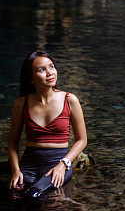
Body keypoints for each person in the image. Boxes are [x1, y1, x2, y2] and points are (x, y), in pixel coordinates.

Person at [7, 49, 87, 199]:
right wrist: (16, 170)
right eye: (42, 69)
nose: (50, 72)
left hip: (58, 160)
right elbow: (12, 142)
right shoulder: (21, 103)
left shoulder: (70, 100)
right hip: (29, 162)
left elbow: (82, 140)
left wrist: (63, 165)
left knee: (35, 194)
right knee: (15, 195)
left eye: (51, 66)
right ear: (31, 78)